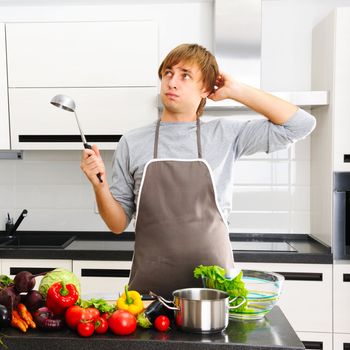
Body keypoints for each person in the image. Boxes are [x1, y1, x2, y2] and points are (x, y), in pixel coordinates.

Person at [80, 43, 316, 298]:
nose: (172, 82)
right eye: (168, 73)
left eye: (185, 76)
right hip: (150, 294)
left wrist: (236, 89)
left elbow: (300, 125)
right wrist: (99, 187)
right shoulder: (132, 141)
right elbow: (117, 224)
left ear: (206, 88)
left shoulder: (226, 135)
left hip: (215, 295)